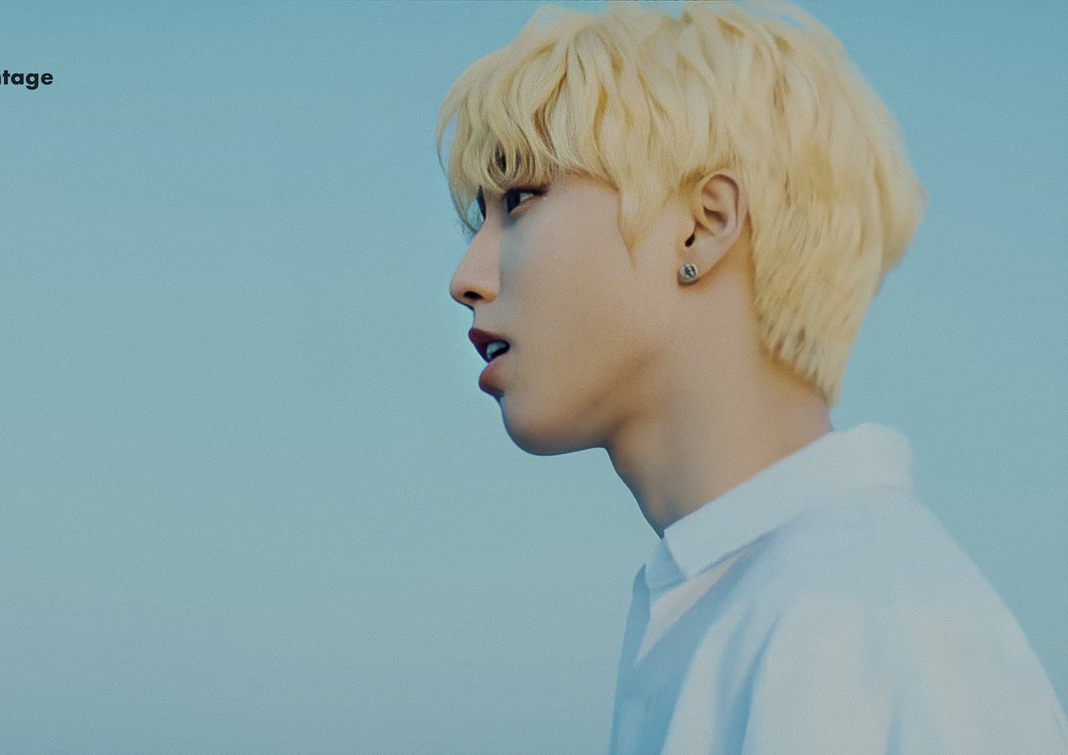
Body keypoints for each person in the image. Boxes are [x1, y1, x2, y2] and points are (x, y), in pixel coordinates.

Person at [436, 1, 1068, 752]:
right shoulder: (757, 600)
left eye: (520, 199)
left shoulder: (862, 625)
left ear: (704, 225)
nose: (467, 277)